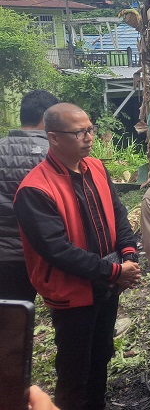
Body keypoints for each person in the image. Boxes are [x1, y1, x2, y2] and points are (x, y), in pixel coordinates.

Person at [14, 103, 141, 410]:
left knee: (101, 355)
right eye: (79, 132)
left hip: (107, 285)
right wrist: (115, 272)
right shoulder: (35, 189)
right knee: (74, 368)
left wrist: (128, 254)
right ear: (54, 138)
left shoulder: (95, 167)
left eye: (90, 129)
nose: (89, 137)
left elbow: (118, 215)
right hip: (73, 294)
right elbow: (57, 251)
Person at [0, 89, 59, 301]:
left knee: (12, 313)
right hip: (45, 251)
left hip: (4, 255)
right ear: (47, 119)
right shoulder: (56, 153)